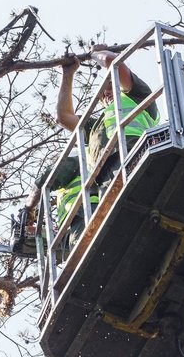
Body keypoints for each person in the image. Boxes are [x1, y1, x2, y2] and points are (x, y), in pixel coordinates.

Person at [11, 45, 160, 257]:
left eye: (110, 86)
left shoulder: (139, 97)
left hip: (134, 152)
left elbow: (112, 62)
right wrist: (68, 74)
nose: (106, 93)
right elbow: (64, 117)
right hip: (107, 173)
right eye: (102, 93)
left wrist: (93, 54)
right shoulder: (96, 124)